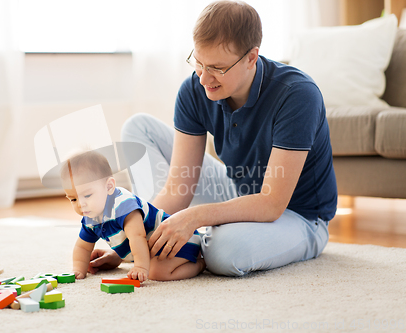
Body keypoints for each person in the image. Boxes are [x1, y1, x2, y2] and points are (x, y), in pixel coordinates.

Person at [88, 0, 337, 277]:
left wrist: (194, 217)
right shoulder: (194, 90)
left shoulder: (297, 94)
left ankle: (197, 245)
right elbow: (178, 188)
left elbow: (271, 203)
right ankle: (173, 239)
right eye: (198, 62)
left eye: (217, 68)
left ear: (251, 58)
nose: (204, 79)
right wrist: (131, 245)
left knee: (224, 253)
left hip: (298, 216)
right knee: (138, 127)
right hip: (236, 188)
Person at [62, 150, 205, 282]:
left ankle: (200, 264)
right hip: (155, 248)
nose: (81, 204)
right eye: (73, 199)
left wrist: (141, 267)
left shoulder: (124, 206)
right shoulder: (91, 218)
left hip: (177, 240)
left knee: (155, 272)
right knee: (153, 266)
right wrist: (78, 270)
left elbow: (137, 237)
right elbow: (83, 247)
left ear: (109, 187)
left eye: (87, 195)